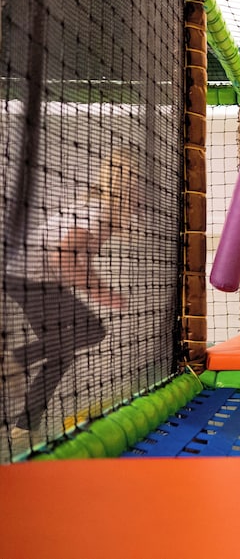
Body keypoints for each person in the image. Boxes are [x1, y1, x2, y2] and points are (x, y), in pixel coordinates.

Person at [4, 151, 135, 453]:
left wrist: (101, 289)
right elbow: (63, 255)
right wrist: (98, 293)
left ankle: (24, 425)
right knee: (90, 331)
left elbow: (77, 261)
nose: (137, 202)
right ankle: (15, 360)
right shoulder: (98, 211)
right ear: (122, 191)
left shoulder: (98, 211)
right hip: (30, 277)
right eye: (133, 193)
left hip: (27, 277)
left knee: (64, 350)